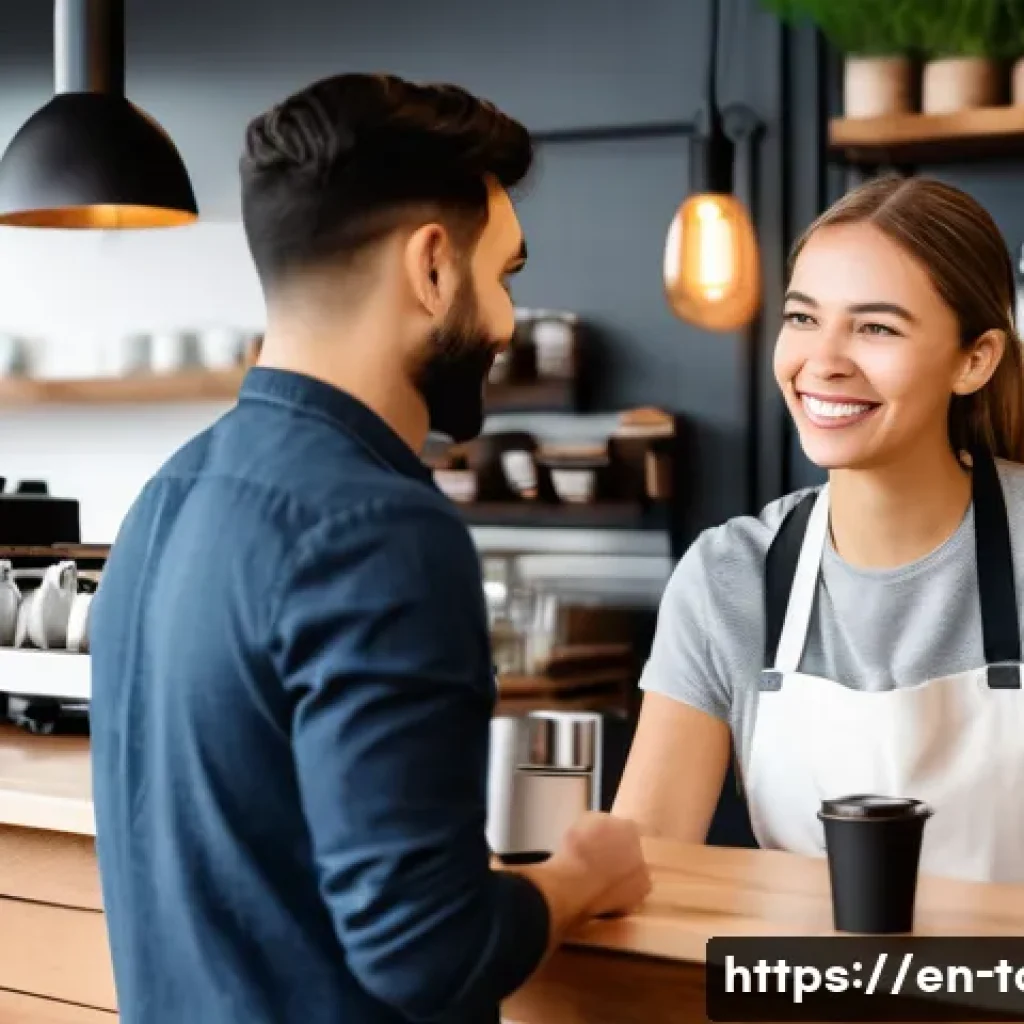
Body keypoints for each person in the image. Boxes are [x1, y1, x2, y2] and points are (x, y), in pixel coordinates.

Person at [88, 72, 650, 1024]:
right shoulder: (382, 529)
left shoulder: (164, 497)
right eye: (506, 275)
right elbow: (424, 949)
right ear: (433, 268)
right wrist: (578, 878)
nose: (510, 320)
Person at [613, 174, 1024, 885]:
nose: (823, 362)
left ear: (974, 360)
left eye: (876, 327)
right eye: (803, 318)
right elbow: (643, 872)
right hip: (798, 992)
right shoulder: (727, 576)